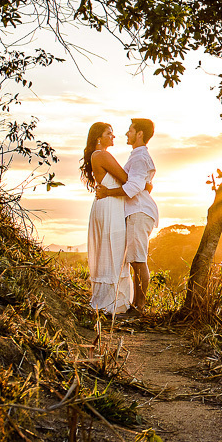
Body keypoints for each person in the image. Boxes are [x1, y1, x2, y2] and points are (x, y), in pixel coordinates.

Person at [96, 118, 159, 314]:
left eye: (130, 130)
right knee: (134, 259)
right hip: (136, 211)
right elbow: (140, 184)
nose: (126, 134)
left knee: (138, 260)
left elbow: (133, 186)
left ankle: (139, 308)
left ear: (139, 133)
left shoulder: (140, 158)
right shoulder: (137, 156)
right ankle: (135, 305)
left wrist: (108, 193)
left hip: (139, 211)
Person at [80, 122, 134, 315]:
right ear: (98, 138)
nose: (113, 136)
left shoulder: (97, 155)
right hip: (110, 207)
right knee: (114, 251)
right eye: (109, 133)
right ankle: (111, 302)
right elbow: (127, 179)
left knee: (111, 250)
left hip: (108, 204)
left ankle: (110, 300)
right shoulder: (102, 155)